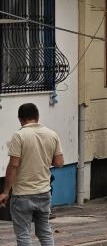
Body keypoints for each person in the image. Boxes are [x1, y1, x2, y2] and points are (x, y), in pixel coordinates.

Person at [0, 103, 64, 246]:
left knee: (23, 234)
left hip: (23, 194)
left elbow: (13, 166)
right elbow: (59, 162)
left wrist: (5, 192)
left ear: (20, 119)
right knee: (44, 231)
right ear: (37, 117)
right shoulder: (52, 134)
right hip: (44, 192)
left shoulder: (19, 136)